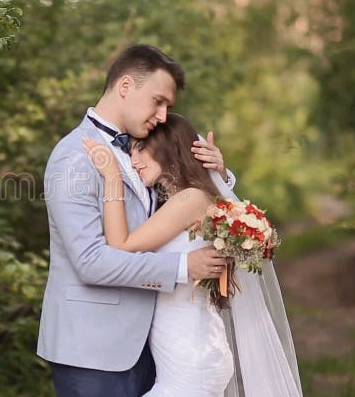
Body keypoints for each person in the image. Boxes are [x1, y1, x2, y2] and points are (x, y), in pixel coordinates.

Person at [37, 45, 234, 396]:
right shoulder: (74, 158)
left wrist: (219, 174)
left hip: (152, 349)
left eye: (168, 108)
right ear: (125, 86)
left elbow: (189, 201)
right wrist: (182, 267)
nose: (162, 115)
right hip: (93, 352)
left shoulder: (146, 149)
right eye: (157, 101)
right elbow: (90, 263)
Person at [82, 114, 302, 396]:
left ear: (166, 148)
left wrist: (112, 178)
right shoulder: (184, 199)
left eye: (139, 149)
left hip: (190, 355)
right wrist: (222, 176)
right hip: (192, 347)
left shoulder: (189, 199)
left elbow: (121, 247)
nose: (132, 161)